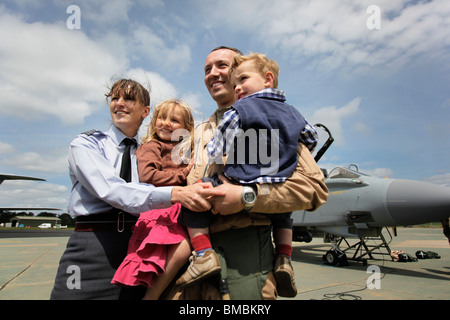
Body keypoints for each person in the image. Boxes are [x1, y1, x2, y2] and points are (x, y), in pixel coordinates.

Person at [163, 47, 329, 300]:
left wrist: (246, 196)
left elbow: (314, 189)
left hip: (246, 255)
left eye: (222, 66)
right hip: (193, 254)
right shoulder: (195, 133)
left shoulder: (278, 123)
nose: (213, 73)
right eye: (207, 69)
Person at [50, 79, 225, 300]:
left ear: (145, 111)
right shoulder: (86, 144)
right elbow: (112, 190)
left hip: (140, 242)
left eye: (129, 99)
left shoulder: (147, 152)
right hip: (93, 243)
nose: (120, 103)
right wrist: (174, 193)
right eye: (115, 98)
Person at [111, 99, 197, 300]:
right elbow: (148, 176)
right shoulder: (152, 146)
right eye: (161, 118)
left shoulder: (184, 150)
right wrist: (184, 174)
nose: (166, 123)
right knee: (181, 248)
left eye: (174, 120)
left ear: (186, 128)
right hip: (161, 210)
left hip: (179, 209)